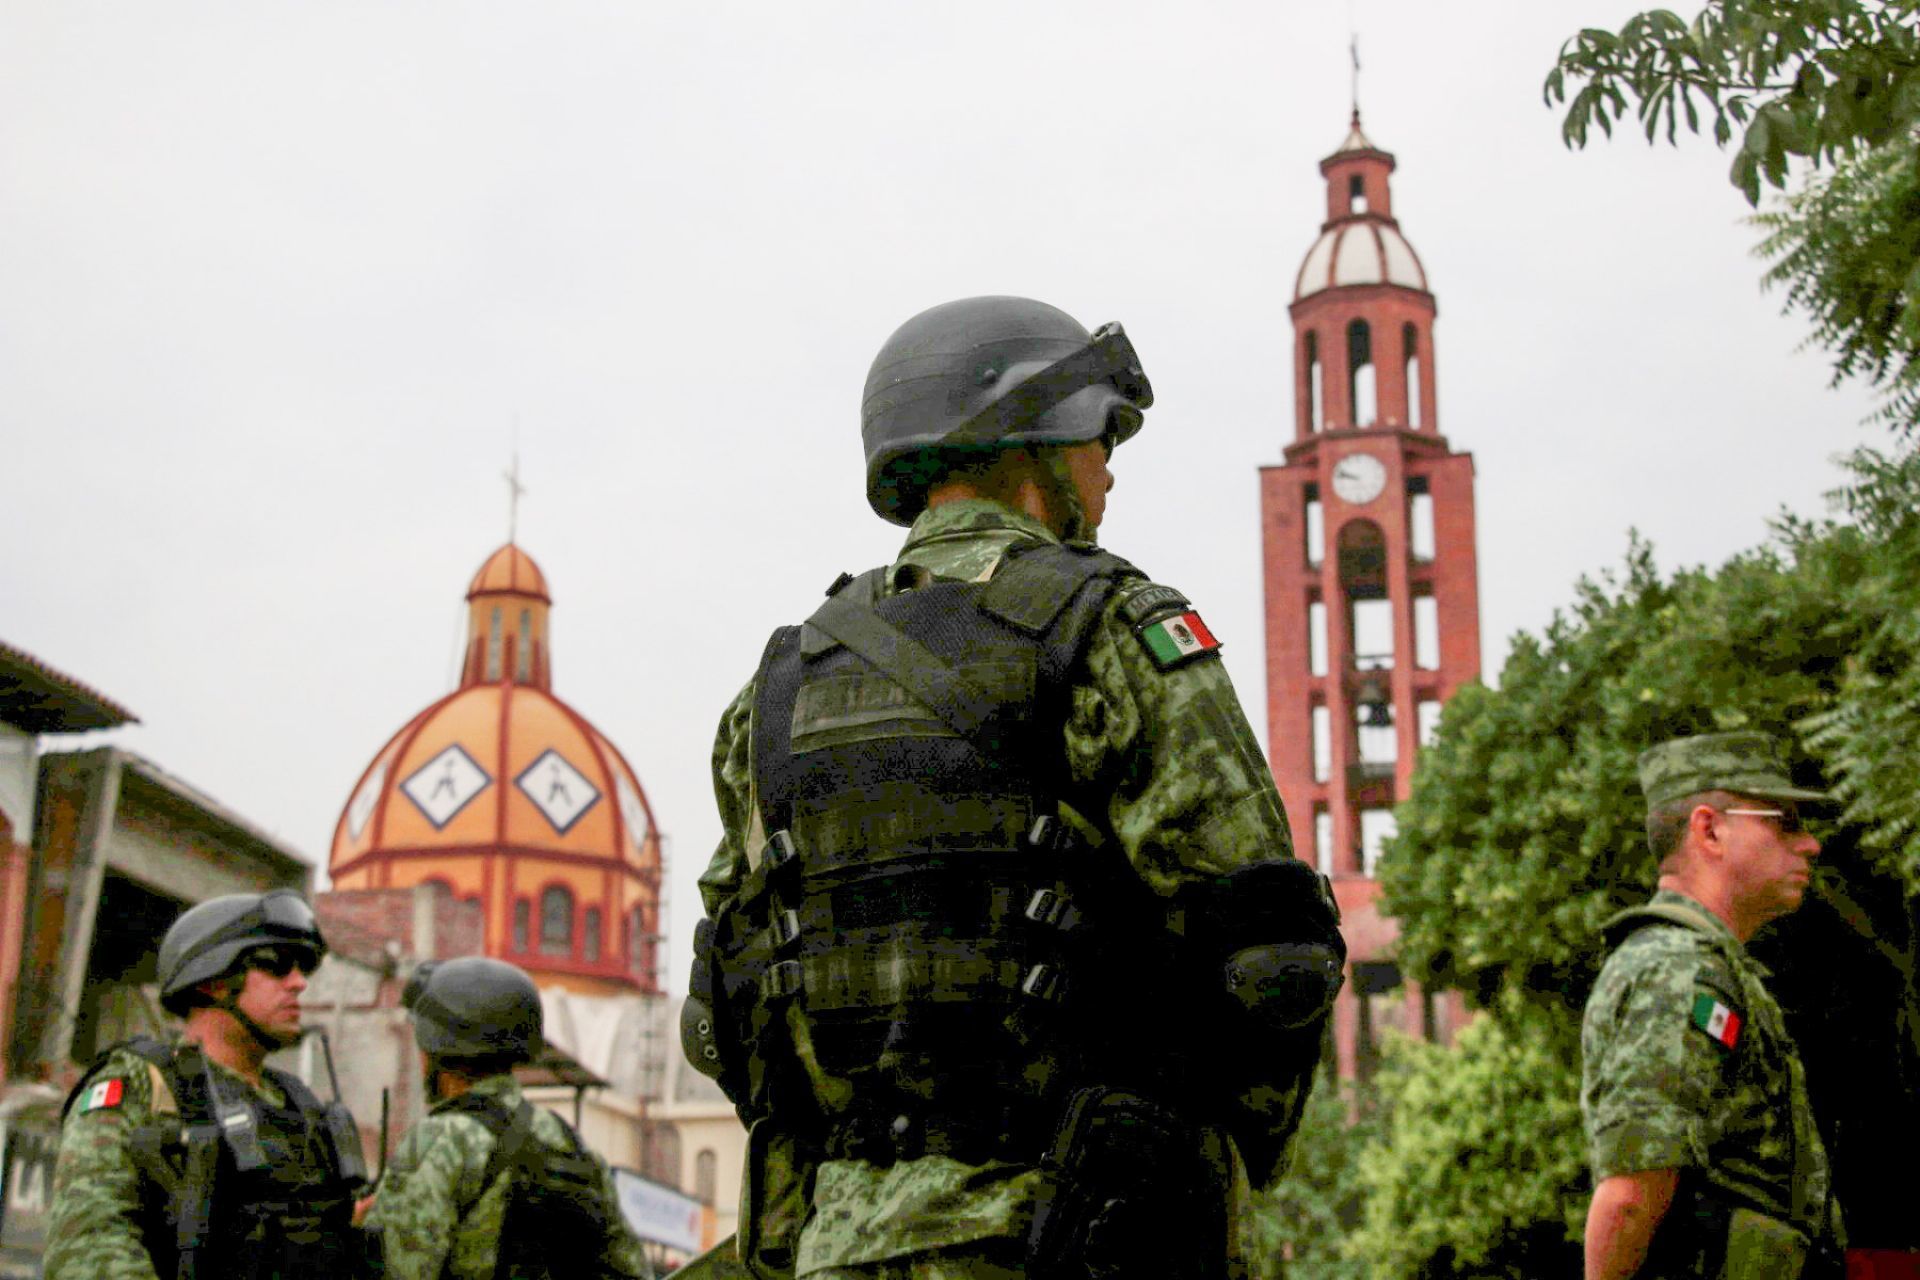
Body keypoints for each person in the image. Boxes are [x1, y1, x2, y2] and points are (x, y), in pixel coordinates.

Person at [684, 296, 1346, 1280]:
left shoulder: (774, 688)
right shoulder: (1119, 627)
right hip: (1069, 1235)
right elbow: (1273, 953)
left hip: (837, 1243)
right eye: (1096, 435)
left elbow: (719, 1014)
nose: (1109, 466)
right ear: (1029, 442)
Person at [1581, 731, 1847, 1280]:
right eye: (1785, 822)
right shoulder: (1677, 968)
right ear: (1709, 829)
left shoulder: (1710, 966)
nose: (1810, 845)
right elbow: (1632, 1195)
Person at [43, 887, 373, 1280]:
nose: (299, 982)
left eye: (303, 966)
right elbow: (86, 1247)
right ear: (211, 981)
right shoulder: (142, 1084)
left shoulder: (299, 1107)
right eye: (277, 964)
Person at [367, 955, 651, 1280]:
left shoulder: (440, 1139)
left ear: (434, 1048)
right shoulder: (570, 1144)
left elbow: (400, 1269)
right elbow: (631, 1270)